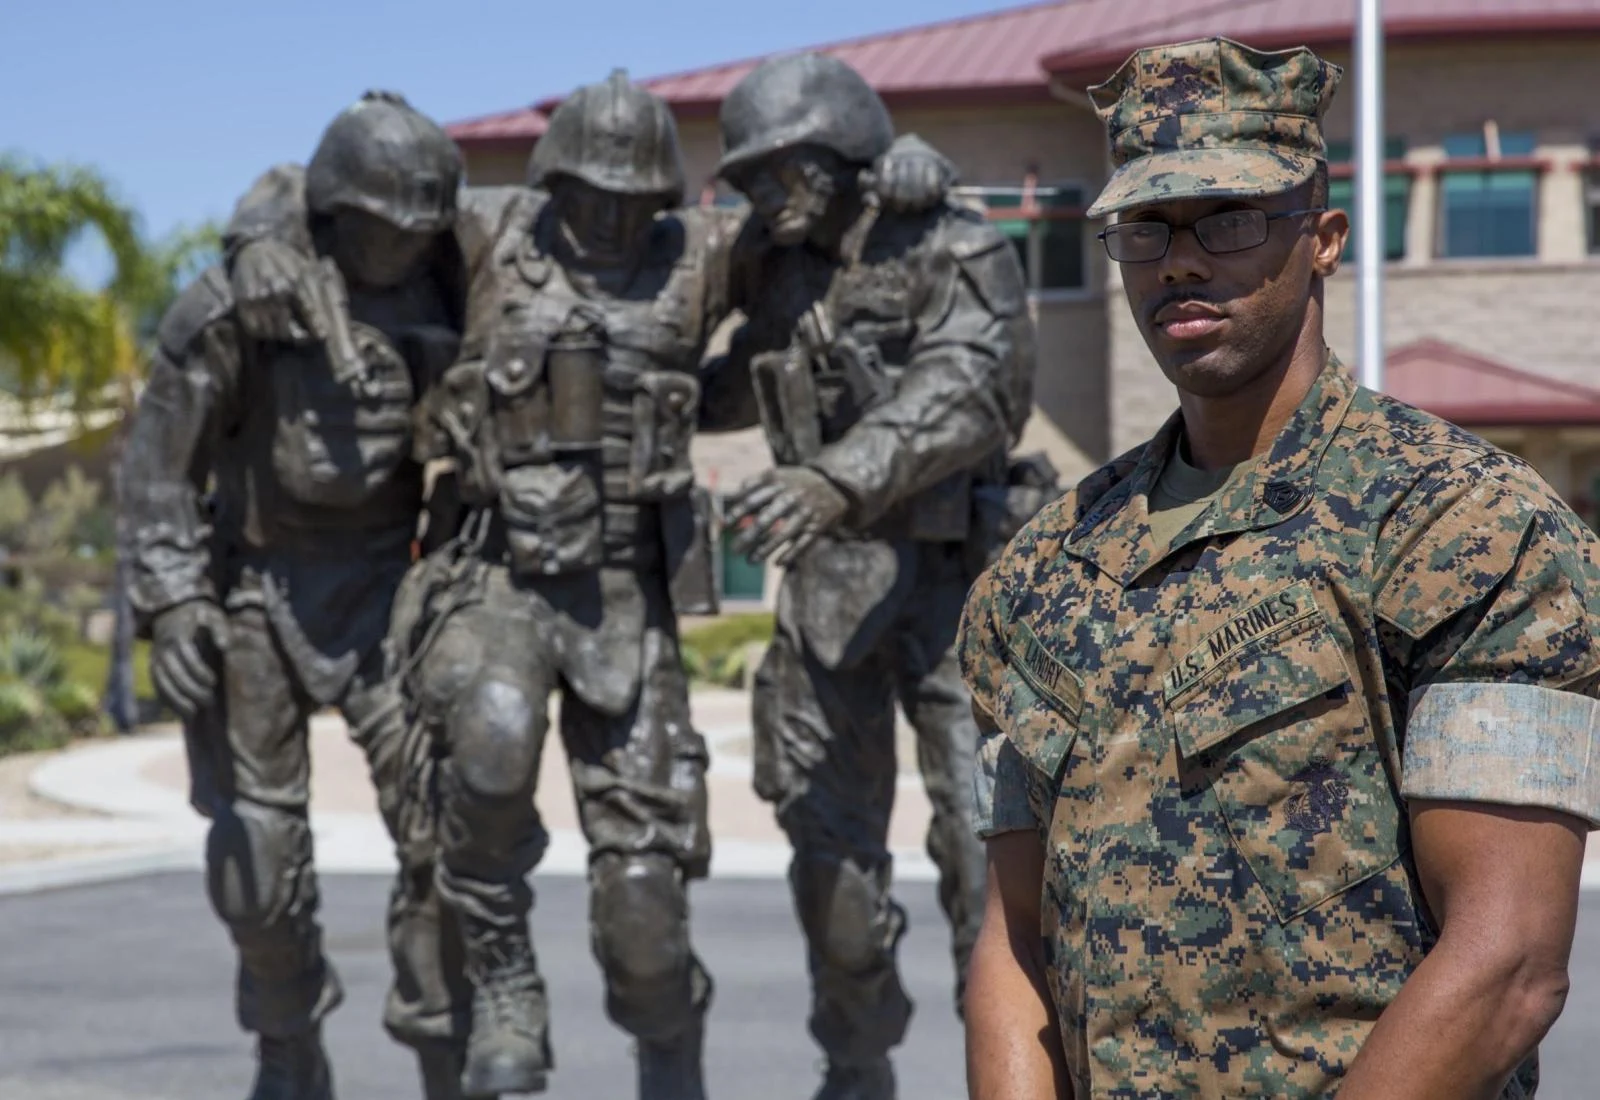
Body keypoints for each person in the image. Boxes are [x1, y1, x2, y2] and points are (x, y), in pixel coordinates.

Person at [224, 69, 958, 1100]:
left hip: (626, 599)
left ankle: (672, 1067)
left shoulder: (698, 256)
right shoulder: (486, 238)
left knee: (647, 919)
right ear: (550, 183)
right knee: (486, 735)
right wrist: (261, 228)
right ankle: (505, 979)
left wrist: (898, 171)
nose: (610, 218)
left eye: (633, 200)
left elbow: (816, 219)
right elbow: (336, 190)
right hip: (494, 578)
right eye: (587, 195)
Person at [960, 35, 1600, 1100]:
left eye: (1229, 217)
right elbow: (1012, 944)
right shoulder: (1041, 571)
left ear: (1323, 240)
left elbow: (1509, 964)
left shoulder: (1464, 527)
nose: (1180, 260)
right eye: (1145, 228)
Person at [702, 51, 1037, 1100]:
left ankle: (1020, 1076)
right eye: (745, 176)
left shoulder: (949, 237)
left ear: (842, 154)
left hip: (955, 588)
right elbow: (723, 371)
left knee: (990, 859)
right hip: (829, 588)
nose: (760, 194)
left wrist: (833, 480)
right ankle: (855, 1067)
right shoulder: (775, 259)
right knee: (827, 856)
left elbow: (974, 387)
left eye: (779, 170)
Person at [121, 91, 469, 1100]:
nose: (401, 247)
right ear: (332, 209)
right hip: (256, 591)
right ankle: (287, 1046)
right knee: (256, 855)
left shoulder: (455, 281)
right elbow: (155, 463)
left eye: (419, 229)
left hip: (392, 588)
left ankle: (443, 1047)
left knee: (449, 832)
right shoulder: (239, 299)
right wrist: (176, 598)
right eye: (380, 226)